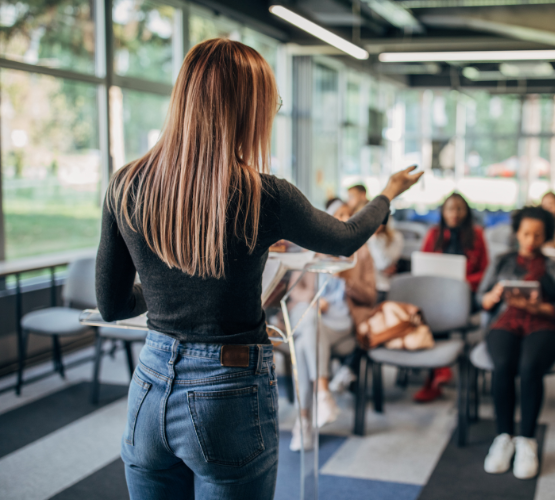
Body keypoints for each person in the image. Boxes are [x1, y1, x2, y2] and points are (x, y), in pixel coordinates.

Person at [95, 38, 422, 500]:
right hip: (227, 390)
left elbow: (111, 306)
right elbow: (347, 237)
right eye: (271, 104)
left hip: (149, 386)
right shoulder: (264, 194)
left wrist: (167, 292)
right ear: (247, 108)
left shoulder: (125, 184)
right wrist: (387, 193)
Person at [479, 206, 555, 480]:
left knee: (529, 366)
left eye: (537, 235)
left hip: (544, 324)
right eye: (525, 234)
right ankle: (504, 436)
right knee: (502, 364)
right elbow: (481, 300)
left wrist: (540, 308)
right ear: (517, 233)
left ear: (546, 236)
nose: (531, 240)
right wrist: (493, 296)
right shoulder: (501, 261)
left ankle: (527, 439)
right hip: (506, 320)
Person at [287, 203, 377, 451]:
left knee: (304, 346)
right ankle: (323, 394)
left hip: (341, 323)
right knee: (310, 323)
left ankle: (304, 421)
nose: (342, 220)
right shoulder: (310, 248)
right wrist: (314, 300)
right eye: (337, 215)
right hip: (310, 316)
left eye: (347, 215)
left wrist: (348, 280)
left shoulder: (361, 253)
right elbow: (295, 291)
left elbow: (370, 297)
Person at [415, 193, 489, 403]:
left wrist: (461, 282)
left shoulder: (477, 235)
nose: (454, 213)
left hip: (466, 295)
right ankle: (438, 371)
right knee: (429, 308)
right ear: (443, 212)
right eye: (450, 209)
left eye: (459, 209)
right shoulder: (434, 234)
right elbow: (423, 266)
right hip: (435, 295)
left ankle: (437, 374)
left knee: (439, 310)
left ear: (466, 212)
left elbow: (485, 272)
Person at [367, 217, 405, 303]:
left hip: (382, 284)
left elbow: (383, 264)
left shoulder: (396, 238)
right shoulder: (362, 238)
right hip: (365, 284)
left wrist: (373, 239)